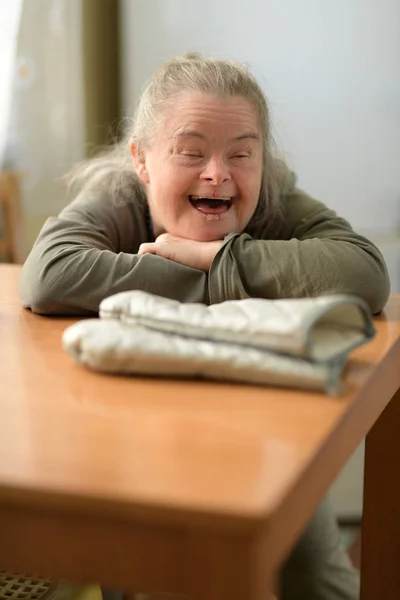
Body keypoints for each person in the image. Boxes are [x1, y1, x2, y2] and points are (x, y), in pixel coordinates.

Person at [20, 53, 390, 600]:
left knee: (313, 576)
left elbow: (365, 272)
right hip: (134, 434)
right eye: (191, 152)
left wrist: (212, 259)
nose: (217, 173)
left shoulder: (275, 197)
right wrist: (216, 285)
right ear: (141, 160)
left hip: (265, 431)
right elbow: (49, 276)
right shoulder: (120, 195)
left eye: (241, 153)